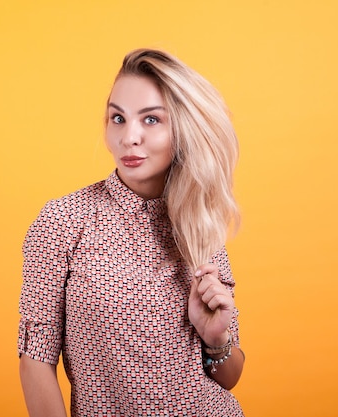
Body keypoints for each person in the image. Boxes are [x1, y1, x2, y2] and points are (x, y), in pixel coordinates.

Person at [18, 48, 245, 417]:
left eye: (151, 120)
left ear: (183, 129)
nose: (129, 137)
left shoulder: (200, 223)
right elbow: (35, 360)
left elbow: (229, 378)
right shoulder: (63, 221)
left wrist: (216, 338)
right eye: (118, 118)